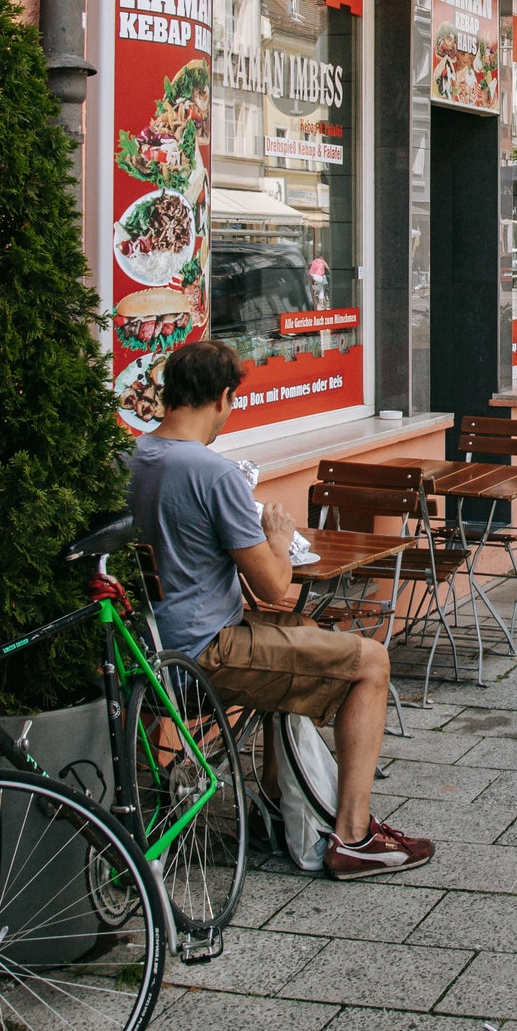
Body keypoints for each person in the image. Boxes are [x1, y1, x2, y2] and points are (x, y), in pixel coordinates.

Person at [127, 339, 433, 880]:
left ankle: (277, 801)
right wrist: (278, 533)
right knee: (372, 661)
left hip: (151, 650)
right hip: (204, 655)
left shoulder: (135, 458)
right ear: (222, 398)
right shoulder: (211, 473)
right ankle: (354, 836)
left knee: (302, 631)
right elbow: (273, 586)